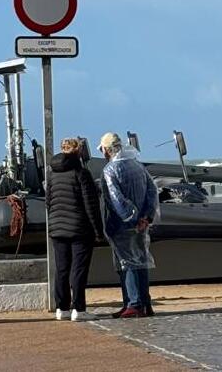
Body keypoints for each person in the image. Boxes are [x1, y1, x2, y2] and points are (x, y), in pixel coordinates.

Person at [99, 131, 158, 318]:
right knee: (141, 261)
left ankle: (133, 303)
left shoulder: (109, 171)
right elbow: (152, 191)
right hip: (142, 224)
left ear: (107, 150)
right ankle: (145, 303)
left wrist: (131, 219)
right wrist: (146, 217)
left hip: (122, 224)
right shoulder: (138, 166)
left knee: (127, 264)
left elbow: (117, 200)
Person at [46, 137, 104, 322]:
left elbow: (49, 201)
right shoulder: (81, 173)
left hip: (57, 228)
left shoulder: (52, 174)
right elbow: (90, 205)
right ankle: (78, 309)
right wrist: (98, 231)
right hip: (79, 228)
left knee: (62, 268)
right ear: (78, 152)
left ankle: (61, 308)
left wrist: (55, 220)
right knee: (78, 269)